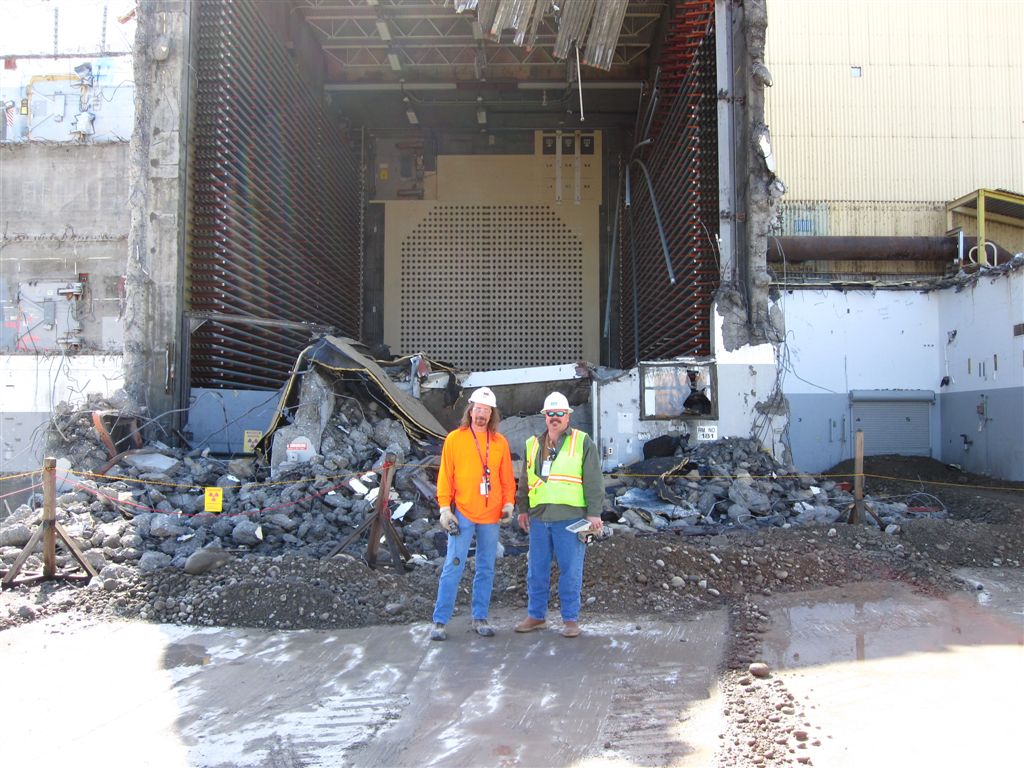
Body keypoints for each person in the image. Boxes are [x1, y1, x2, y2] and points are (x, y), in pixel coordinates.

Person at [515, 391, 604, 638]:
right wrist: (523, 509)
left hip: (571, 518)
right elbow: (525, 481)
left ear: (567, 417)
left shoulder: (582, 441)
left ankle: (570, 620)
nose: (555, 418)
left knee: (570, 570)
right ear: (545, 417)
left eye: (559, 414)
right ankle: (536, 616)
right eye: (551, 414)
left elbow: (594, 480)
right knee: (537, 570)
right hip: (540, 518)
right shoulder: (533, 445)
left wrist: (594, 514)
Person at [430, 386, 515, 641]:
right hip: (463, 513)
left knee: (486, 568)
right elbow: (445, 477)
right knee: (453, 566)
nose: (482, 415)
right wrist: (445, 509)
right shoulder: (455, 439)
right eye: (478, 409)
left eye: (487, 411)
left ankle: (480, 617)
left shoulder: (499, 443)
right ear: (470, 410)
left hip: (491, 516)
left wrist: (508, 504)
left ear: (492, 415)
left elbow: (507, 479)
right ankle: (439, 621)